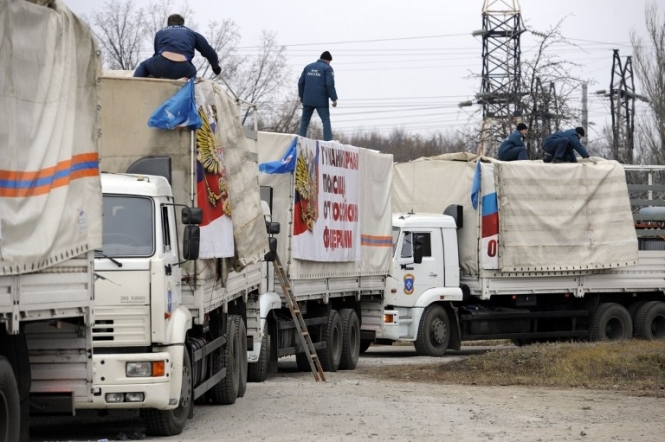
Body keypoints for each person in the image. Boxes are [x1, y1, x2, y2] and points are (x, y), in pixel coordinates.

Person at [133, 14, 221, 80]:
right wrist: (215, 67)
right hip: (183, 69)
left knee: (144, 66)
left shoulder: (160, 33)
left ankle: (133, 88)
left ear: (168, 24)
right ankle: (189, 97)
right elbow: (209, 52)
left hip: (161, 64)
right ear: (182, 23)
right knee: (192, 73)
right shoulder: (192, 33)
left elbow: (157, 53)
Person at [298, 51, 338, 141]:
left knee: (304, 121)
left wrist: (301, 96)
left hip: (307, 100)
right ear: (327, 60)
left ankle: (300, 140)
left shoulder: (308, 67)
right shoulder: (327, 68)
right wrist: (334, 99)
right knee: (325, 120)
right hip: (321, 101)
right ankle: (328, 142)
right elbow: (329, 84)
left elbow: (301, 83)